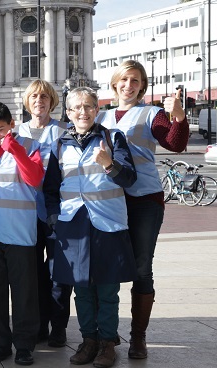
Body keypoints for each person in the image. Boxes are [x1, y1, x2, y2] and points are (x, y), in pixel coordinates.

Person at [97, 60, 189, 360]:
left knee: (141, 268)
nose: (128, 85)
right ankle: (105, 334)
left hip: (143, 200)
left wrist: (178, 117)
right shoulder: (102, 115)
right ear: (114, 83)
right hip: (110, 199)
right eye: (123, 79)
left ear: (142, 85)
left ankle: (138, 337)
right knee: (106, 269)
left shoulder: (152, 114)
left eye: (135, 80)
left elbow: (175, 144)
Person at [44, 87, 137, 367]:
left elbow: (130, 179)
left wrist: (109, 165)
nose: (82, 112)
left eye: (88, 106)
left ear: (97, 110)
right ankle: (89, 340)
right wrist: (53, 218)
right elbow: (50, 188)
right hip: (72, 225)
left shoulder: (112, 137)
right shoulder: (59, 144)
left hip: (107, 222)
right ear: (68, 113)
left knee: (107, 289)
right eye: (76, 108)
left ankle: (108, 342)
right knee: (81, 289)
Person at [0, 102, 43, 366]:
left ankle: (25, 345)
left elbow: (35, 178)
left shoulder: (29, 145)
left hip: (20, 232)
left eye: (0, 130)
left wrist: (13, 148)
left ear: (12, 124)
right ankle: (1, 342)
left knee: (25, 293)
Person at [16, 80, 72, 347]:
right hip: (26, 212)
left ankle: (58, 325)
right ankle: (38, 323)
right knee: (35, 272)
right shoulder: (17, 132)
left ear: (53, 101)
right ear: (27, 102)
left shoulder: (65, 130)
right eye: (34, 96)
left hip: (59, 209)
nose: (40, 101)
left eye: (45, 96)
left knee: (59, 270)